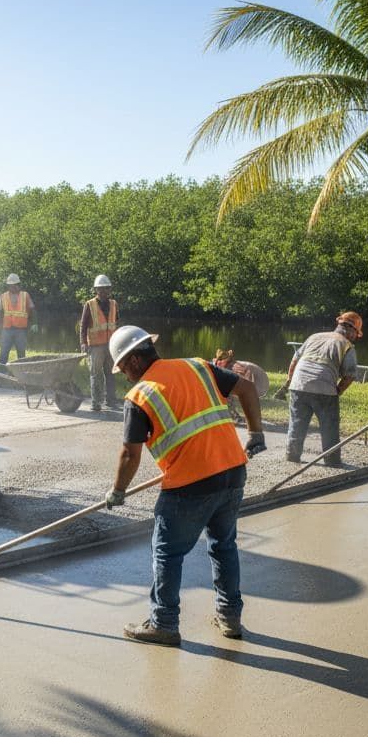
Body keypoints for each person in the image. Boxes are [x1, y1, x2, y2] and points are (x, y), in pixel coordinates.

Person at [104, 325, 266, 646]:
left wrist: (118, 490)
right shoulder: (198, 366)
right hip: (233, 472)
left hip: (190, 484)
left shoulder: (139, 395)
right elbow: (247, 388)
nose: (124, 376)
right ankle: (230, 617)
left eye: (123, 368)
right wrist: (255, 433)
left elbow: (129, 455)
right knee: (223, 545)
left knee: (166, 551)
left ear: (135, 360)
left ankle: (163, 622)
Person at [278, 311, 363, 466]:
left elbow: (294, 362)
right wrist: (337, 391)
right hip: (324, 390)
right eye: (356, 333)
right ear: (352, 330)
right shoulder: (347, 345)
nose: (356, 337)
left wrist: (291, 382)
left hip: (298, 385)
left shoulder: (314, 336)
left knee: (297, 423)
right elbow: (350, 375)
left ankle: (292, 456)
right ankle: (332, 462)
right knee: (329, 426)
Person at [79, 274, 119, 411]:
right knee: (95, 374)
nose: (103, 291)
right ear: (96, 290)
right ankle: (96, 403)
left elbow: (116, 323)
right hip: (95, 346)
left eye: (106, 288)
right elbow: (83, 326)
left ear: (109, 289)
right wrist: (83, 343)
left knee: (111, 373)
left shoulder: (114, 304)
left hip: (111, 345)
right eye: (100, 289)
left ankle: (111, 401)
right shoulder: (89, 305)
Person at [213, 349, 270, 423]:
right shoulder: (231, 365)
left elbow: (247, 376)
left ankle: (236, 416)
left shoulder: (234, 367)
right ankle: (237, 416)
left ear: (225, 360)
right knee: (228, 392)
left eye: (220, 360)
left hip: (260, 382)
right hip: (260, 380)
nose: (218, 362)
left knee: (227, 393)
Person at [0, 274, 36, 365]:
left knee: (21, 355)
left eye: (14, 285)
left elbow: (32, 309)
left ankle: (21, 373)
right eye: (10, 285)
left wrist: (34, 324)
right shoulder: (3, 296)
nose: (12, 287)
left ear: (18, 285)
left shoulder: (25, 295)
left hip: (20, 330)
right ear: (8, 286)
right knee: (3, 354)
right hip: (7, 330)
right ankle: (1, 372)